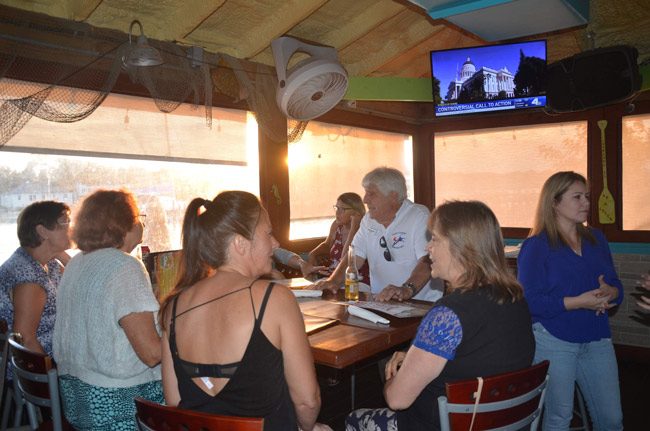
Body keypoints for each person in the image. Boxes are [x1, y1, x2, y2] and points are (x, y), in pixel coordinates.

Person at [345, 200, 534, 431]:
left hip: (443, 425)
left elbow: (397, 399)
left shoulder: (448, 315)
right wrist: (413, 357)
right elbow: (476, 353)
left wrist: (393, 376)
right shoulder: (515, 298)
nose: (428, 248)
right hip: (505, 422)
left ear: (460, 247)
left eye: (434, 239)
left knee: (354, 419)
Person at [159, 191, 331, 431]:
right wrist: (306, 427)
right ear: (240, 243)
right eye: (268, 233)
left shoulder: (173, 308)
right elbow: (307, 401)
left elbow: (174, 401)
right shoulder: (274, 299)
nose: (276, 243)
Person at [517, 171, 623, 430]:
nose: (586, 203)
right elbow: (530, 302)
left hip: (597, 337)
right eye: (577, 197)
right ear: (554, 202)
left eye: (586, 196)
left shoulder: (597, 238)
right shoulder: (536, 246)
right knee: (558, 419)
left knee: (612, 419)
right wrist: (579, 302)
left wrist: (611, 292)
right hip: (554, 339)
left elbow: (616, 285)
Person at [53, 189, 162, 430]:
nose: (141, 224)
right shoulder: (125, 266)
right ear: (122, 225)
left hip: (77, 399)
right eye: (138, 217)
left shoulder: (77, 263)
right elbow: (151, 354)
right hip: (118, 403)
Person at [316, 167, 442, 302]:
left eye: (371, 194)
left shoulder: (419, 217)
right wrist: (333, 281)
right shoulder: (369, 220)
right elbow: (354, 256)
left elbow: (428, 260)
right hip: (382, 302)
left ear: (393, 196)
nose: (365, 200)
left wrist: (406, 289)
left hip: (420, 303)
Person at [0, 201, 71, 356]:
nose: (71, 228)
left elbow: (80, 283)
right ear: (42, 231)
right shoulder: (29, 281)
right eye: (65, 222)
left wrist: (59, 253)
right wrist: (50, 377)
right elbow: (25, 340)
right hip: (39, 370)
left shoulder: (45, 263)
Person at [307, 192, 369, 284]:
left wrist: (354, 228)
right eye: (337, 208)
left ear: (356, 212)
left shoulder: (364, 230)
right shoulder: (336, 225)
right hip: (333, 277)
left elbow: (346, 258)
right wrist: (313, 254)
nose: (337, 212)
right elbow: (327, 244)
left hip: (356, 280)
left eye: (343, 209)